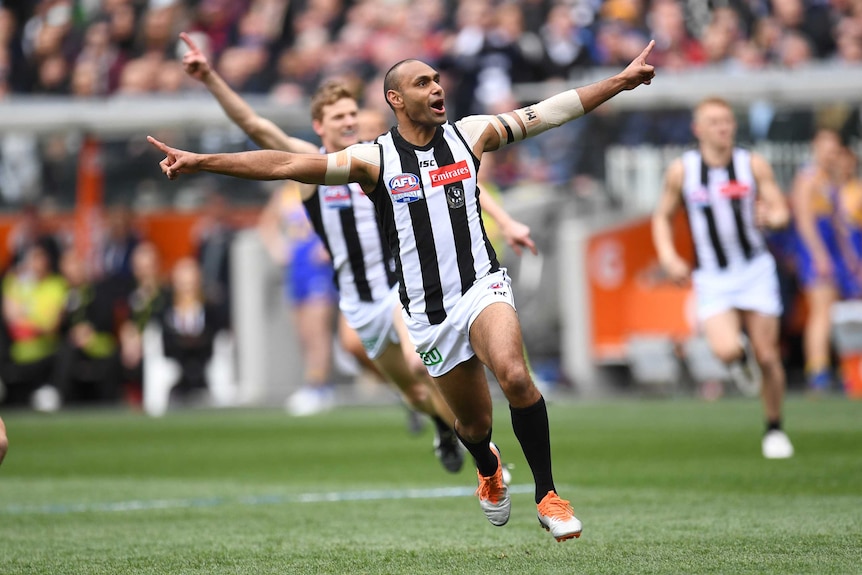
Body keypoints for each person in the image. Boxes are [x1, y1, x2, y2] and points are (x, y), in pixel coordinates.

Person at [151, 40, 657, 542]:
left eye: (437, 80)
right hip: (427, 312)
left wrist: (619, 81)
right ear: (396, 99)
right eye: (423, 83)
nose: (437, 88)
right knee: (474, 425)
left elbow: (549, 112)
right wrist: (201, 161)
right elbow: (283, 163)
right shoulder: (372, 161)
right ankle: (486, 467)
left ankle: (548, 495)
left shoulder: (471, 135)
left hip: (482, 284)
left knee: (515, 376)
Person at [178, 32, 469, 471]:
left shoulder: (376, 157)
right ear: (320, 126)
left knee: (419, 365)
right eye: (339, 116)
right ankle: (443, 428)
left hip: (399, 288)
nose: (350, 122)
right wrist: (211, 78)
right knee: (410, 391)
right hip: (356, 296)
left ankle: (484, 456)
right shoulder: (310, 166)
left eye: (353, 113)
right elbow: (256, 128)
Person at [652, 96, 794, 459]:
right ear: (698, 129)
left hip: (755, 269)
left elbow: (779, 208)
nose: (723, 127)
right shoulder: (683, 170)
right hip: (713, 274)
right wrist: (669, 257)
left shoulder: (752, 164)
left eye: (728, 121)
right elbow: (661, 217)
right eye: (714, 122)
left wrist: (773, 217)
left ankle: (774, 428)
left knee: (768, 356)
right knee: (726, 349)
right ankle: (738, 359)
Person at [258, 180, 339, 415]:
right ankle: (315, 382)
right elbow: (267, 223)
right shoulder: (284, 193)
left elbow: (339, 217)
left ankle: (319, 386)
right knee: (303, 333)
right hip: (297, 269)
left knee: (317, 331)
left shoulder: (319, 186)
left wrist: (330, 246)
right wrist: (278, 249)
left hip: (318, 269)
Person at [790, 129, 854, 393]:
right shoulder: (807, 179)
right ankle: (817, 371)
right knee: (821, 312)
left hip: (832, 250)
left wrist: (849, 257)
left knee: (833, 312)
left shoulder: (830, 180)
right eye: (827, 150)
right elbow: (804, 221)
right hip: (816, 251)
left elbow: (839, 223)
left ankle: (835, 367)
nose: (831, 155)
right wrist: (819, 255)